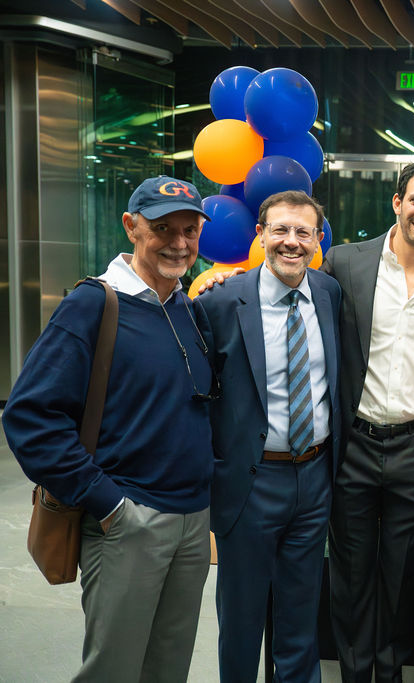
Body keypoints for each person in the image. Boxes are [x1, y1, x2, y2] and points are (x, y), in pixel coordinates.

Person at [3, 175, 215, 682]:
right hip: (128, 522)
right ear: (131, 227)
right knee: (114, 671)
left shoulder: (188, 309)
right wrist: (109, 504)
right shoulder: (95, 304)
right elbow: (29, 416)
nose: (179, 243)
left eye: (189, 230)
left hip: (192, 524)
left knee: (168, 670)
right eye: (163, 229)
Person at [323, 155, 414, 683]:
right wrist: (231, 286)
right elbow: (295, 298)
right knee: (350, 575)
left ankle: (389, 675)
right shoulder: (345, 263)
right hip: (354, 445)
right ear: (397, 202)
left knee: (403, 576)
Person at [195, 191, 343, 682]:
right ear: (260, 235)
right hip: (250, 482)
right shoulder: (220, 302)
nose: (291, 241)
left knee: (300, 621)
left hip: (314, 479)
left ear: (318, 240)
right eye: (280, 230)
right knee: (241, 621)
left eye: (303, 232)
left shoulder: (329, 294)